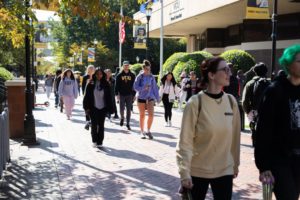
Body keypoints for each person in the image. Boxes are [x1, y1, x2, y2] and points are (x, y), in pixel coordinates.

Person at [176, 57, 241, 200]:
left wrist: (235, 164)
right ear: (211, 75)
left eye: (229, 69)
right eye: (225, 70)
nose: (229, 73)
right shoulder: (195, 103)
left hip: (225, 170)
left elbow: (235, 138)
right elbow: (185, 141)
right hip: (198, 171)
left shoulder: (231, 102)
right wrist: (184, 173)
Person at [254, 44, 300, 200]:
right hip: (280, 159)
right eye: (299, 61)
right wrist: (263, 166)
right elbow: (262, 131)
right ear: (288, 64)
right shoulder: (275, 90)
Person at [83, 68, 113, 148]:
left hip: (103, 108)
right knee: (94, 125)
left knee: (101, 125)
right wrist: (86, 107)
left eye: (100, 74)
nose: (99, 76)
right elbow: (86, 96)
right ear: (94, 75)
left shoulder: (106, 83)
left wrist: (110, 108)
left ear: (103, 75)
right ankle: (94, 141)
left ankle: (100, 141)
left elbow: (109, 97)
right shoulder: (90, 83)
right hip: (93, 107)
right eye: (97, 74)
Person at [242, 62, 270, 146]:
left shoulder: (250, 83)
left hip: (254, 111)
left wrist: (248, 111)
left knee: (254, 132)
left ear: (255, 71)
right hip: (267, 111)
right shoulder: (269, 83)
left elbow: (245, 101)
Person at [134, 60, 160, 139]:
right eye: (147, 69)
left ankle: (148, 130)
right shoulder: (140, 76)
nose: (149, 71)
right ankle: (142, 131)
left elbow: (155, 88)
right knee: (142, 115)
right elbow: (135, 87)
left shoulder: (151, 77)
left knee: (151, 115)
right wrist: (143, 88)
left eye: (149, 69)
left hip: (150, 97)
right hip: (141, 97)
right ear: (144, 69)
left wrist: (158, 98)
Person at [115, 61, 136, 130]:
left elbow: (134, 86)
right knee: (121, 109)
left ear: (129, 66)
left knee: (129, 109)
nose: (126, 66)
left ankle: (128, 123)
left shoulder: (132, 75)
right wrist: (117, 94)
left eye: (127, 65)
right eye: (125, 65)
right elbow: (116, 85)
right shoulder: (119, 75)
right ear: (123, 66)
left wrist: (134, 95)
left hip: (129, 94)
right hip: (121, 94)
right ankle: (122, 118)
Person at [82, 65, 95, 130]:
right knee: (86, 108)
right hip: (87, 95)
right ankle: (87, 121)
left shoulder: (96, 77)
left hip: (94, 96)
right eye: (89, 69)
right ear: (87, 69)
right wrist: (83, 94)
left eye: (92, 69)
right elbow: (83, 86)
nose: (91, 70)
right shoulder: (85, 77)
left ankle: (92, 121)